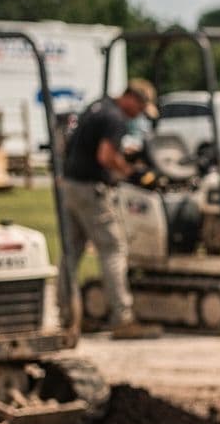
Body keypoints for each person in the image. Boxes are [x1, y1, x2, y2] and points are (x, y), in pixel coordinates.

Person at [59, 77, 162, 339]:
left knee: (71, 252)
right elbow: (105, 156)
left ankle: (68, 316)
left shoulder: (97, 106)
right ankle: (122, 318)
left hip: (70, 185)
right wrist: (130, 172)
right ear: (132, 98)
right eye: (140, 108)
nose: (138, 114)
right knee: (113, 249)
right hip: (91, 189)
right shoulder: (114, 118)